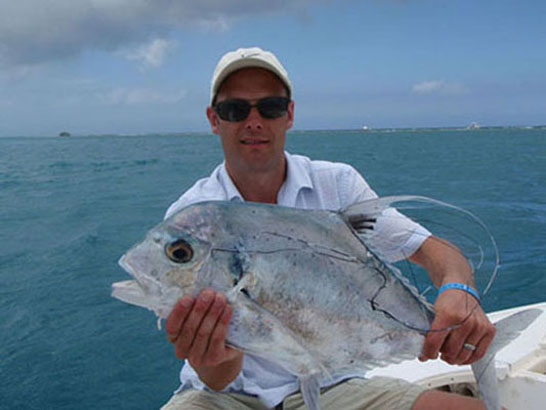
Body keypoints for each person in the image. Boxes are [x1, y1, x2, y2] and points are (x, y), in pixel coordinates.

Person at [160, 47, 496, 410]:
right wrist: (213, 357)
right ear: (214, 120)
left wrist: (460, 288)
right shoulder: (193, 218)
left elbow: (435, 251)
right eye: (235, 110)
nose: (253, 121)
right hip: (221, 398)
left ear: (289, 114)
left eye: (270, 107)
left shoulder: (336, 186)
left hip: (333, 384)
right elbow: (218, 378)